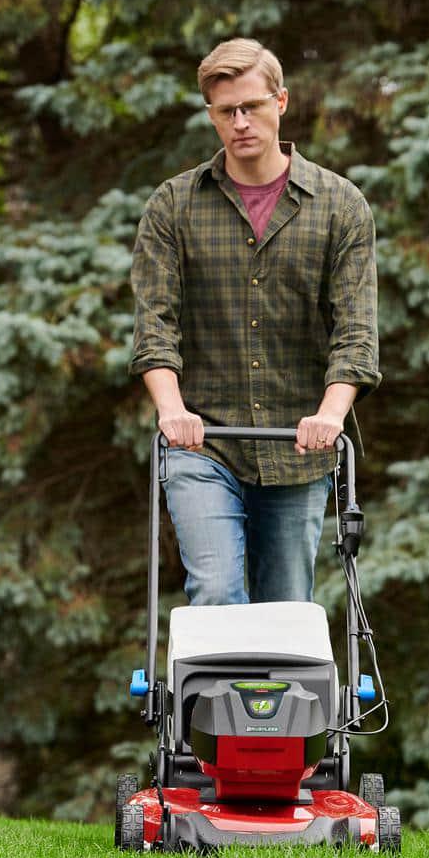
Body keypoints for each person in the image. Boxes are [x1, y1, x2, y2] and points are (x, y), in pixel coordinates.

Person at [130, 38, 380, 606]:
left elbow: (356, 332)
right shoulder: (174, 206)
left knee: (285, 613)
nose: (241, 122)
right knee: (217, 591)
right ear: (212, 116)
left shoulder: (340, 206)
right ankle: (211, 701)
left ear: (281, 102)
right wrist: (172, 410)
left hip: (298, 450)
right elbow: (155, 326)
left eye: (253, 106)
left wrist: (330, 414)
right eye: (226, 112)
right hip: (203, 443)